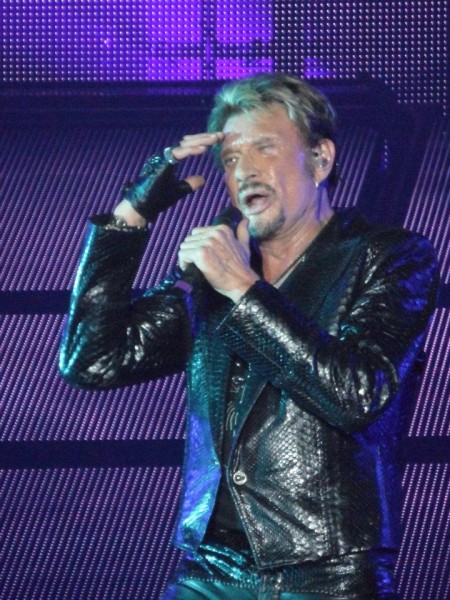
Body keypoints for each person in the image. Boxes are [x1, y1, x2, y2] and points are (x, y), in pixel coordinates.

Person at [60, 73, 438, 599]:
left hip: (325, 572)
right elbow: (93, 360)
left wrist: (241, 288)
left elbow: (357, 394)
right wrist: (132, 215)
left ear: (320, 160)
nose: (244, 170)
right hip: (211, 570)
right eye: (231, 158)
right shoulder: (213, 275)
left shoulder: (387, 256)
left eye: (265, 148)